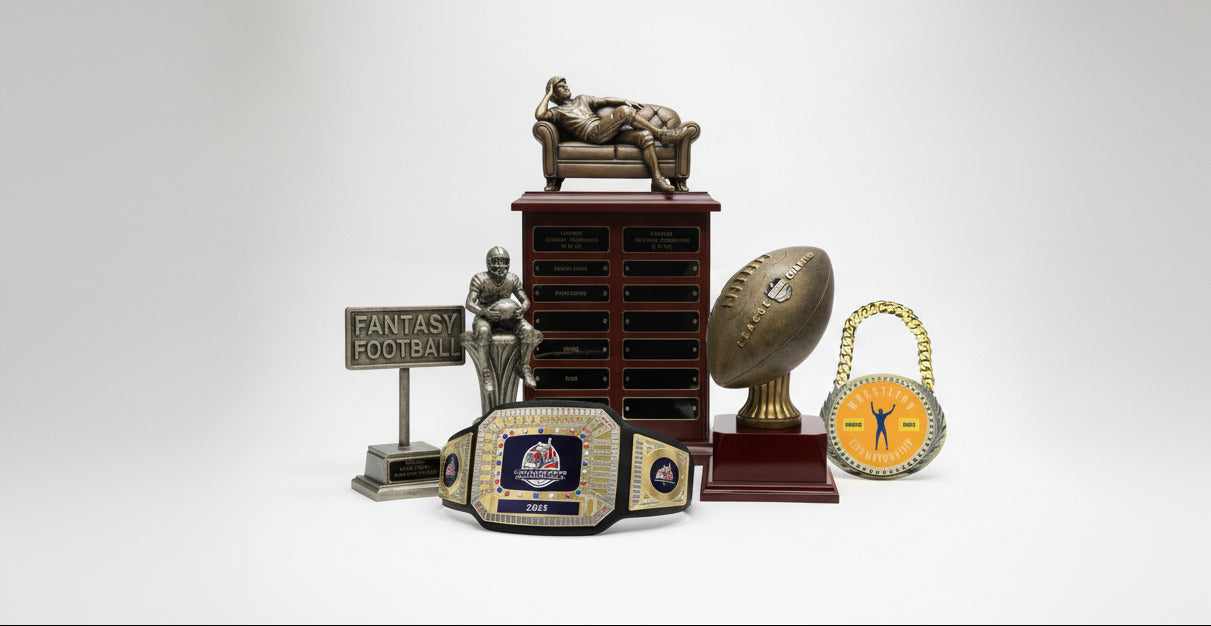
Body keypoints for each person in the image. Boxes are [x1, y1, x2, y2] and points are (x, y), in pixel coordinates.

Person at [535, 76, 692, 193]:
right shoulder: (556, 112)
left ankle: (657, 179)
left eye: (565, 84)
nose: (566, 87)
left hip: (606, 131)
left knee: (644, 136)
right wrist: (547, 95)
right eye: (560, 87)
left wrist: (623, 101)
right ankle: (661, 134)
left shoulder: (581, 99)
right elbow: (540, 115)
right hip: (594, 134)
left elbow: (604, 101)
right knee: (624, 112)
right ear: (554, 94)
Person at [465, 247, 540, 391]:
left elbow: (525, 301)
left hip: (508, 318)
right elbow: (469, 303)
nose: (500, 266)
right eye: (496, 262)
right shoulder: (480, 279)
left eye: (503, 262)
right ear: (489, 263)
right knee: (483, 331)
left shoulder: (512, 279)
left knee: (528, 330)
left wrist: (522, 309)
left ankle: (524, 366)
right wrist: (484, 312)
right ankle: (486, 372)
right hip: (486, 317)